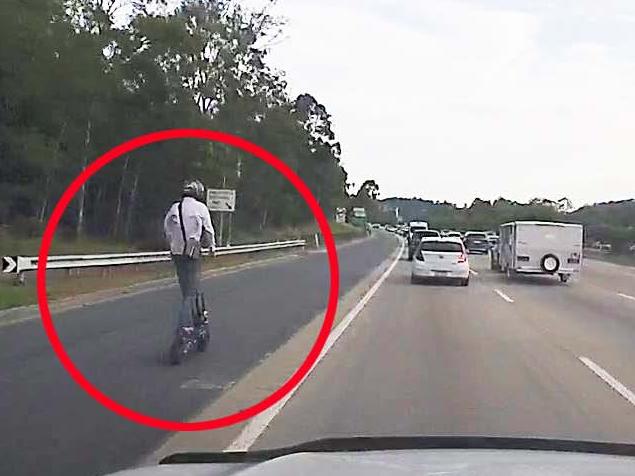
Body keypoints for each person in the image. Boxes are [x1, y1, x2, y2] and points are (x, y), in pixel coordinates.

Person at [164, 179, 216, 332]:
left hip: (177, 252)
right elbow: (209, 229)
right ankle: (187, 325)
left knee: (185, 287)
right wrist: (212, 247)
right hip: (193, 252)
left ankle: (188, 321)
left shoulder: (175, 207)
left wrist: (173, 242)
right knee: (192, 290)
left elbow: (166, 227)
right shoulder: (200, 208)